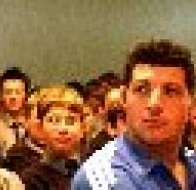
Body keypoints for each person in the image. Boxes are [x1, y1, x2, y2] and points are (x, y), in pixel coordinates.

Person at [72, 39, 196, 190]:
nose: (154, 104)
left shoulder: (192, 163)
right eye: (142, 90)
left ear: (190, 101)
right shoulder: (104, 181)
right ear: (124, 97)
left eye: (170, 91)